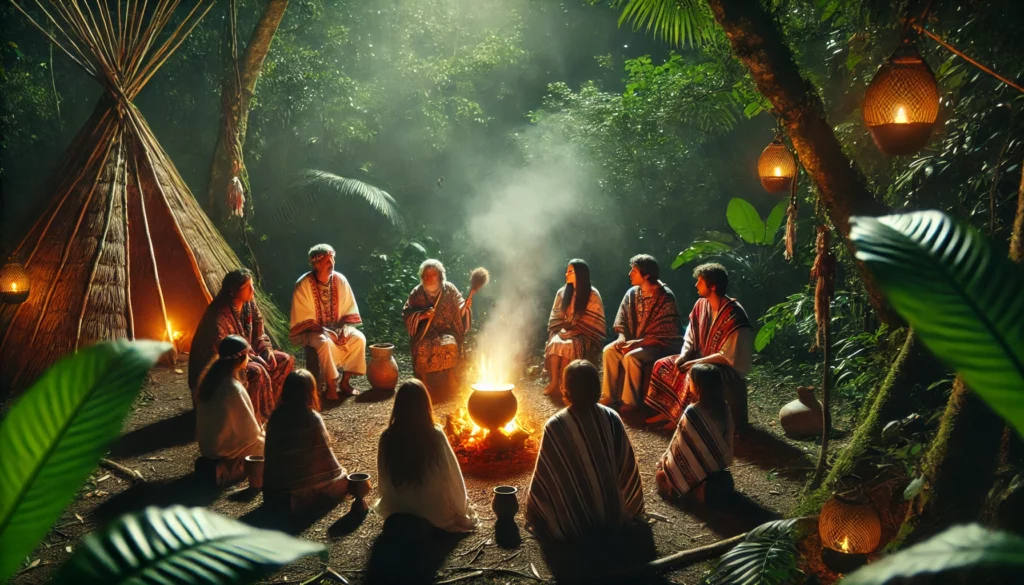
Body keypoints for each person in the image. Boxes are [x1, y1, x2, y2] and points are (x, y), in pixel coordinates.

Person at [526, 360, 645, 542]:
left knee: (539, 514)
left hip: (573, 524)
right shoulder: (612, 417)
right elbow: (626, 465)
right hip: (612, 515)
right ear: (596, 387)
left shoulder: (556, 425)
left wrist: (534, 511)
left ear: (566, 389)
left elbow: (545, 477)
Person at [645, 263, 752, 430]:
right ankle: (668, 411)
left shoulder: (735, 315)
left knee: (694, 373)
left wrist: (697, 362)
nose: (696, 285)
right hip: (701, 357)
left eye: (700, 282)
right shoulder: (700, 305)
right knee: (664, 364)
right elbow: (690, 336)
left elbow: (727, 356)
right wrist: (684, 356)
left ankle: (681, 418)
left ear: (713, 286)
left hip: (725, 366)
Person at [373, 379, 478, 532]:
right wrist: (461, 508)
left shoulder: (387, 436)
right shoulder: (435, 434)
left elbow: (383, 483)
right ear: (425, 405)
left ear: (398, 406)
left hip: (399, 512)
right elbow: (453, 477)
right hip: (436, 516)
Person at [189, 269, 294, 422]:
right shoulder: (218, 316)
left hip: (248, 354)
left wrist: (267, 350)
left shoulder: (249, 304)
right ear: (234, 291)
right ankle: (250, 419)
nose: (253, 290)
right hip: (224, 365)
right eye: (247, 287)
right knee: (257, 372)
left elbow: (259, 330)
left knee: (284, 360)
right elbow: (223, 352)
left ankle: (272, 408)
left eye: (252, 285)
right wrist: (253, 359)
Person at [601, 254, 683, 411]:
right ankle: (610, 395)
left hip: (659, 345)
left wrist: (637, 343)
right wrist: (622, 337)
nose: (630, 273)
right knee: (609, 351)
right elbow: (622, 319)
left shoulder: (665, 296)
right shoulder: (632, 293)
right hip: (636, 341)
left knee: (632, 357)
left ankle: (629, 402)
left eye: (634, 270)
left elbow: (665, 333)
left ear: (646, 275)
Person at [264, 369, 349, 512]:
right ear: (310, 392)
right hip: (298, 490)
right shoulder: (312, 419)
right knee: (344, 479)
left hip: (275, 489)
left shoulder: (275, 417)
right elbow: (328, 462)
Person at [290, 244, 367, 399]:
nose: (331, 264)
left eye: (332, 260)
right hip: (313, 332)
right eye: (327, 262)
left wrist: (339, 329)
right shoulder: (303, 284)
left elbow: (348, 309)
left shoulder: (340, 279)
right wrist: (325, 331)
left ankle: (345, 382)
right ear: (316, 265)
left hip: (337, 328)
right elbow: (304, 319)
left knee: (359, 339)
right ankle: (331, 387)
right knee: (324, 344)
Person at [655, 364, 734, 499]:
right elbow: (728, 438)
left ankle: (688, 486)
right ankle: (706, 488)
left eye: (690, 379)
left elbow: (679, 444)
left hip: (702, 469)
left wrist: (665, 464)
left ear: (698, 386)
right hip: (718, 465)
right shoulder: (725, 407)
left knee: (661, 472)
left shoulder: (694, 411)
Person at [195, 335, 265, 486]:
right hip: (224, 451)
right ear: (239, 359)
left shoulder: (210, 380)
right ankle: (231, 467)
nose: (249, 359)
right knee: (269, 445)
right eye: (247, 355)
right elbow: (251, 433)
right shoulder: (233, 388)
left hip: (208, 448)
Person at [402, 259, 472, 385]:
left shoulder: (449, 289)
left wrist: (465, 306)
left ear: (440, 276)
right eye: (425, 275)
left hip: (447, 330)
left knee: (450, 344)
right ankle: (423, 381)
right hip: (425, 333)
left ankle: (451, 378)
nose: (428, 278)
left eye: (432, 275)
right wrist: (422, 315)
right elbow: (406, 313)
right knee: (422, 347)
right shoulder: (417, 293)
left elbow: (459, 306)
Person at [542, 259, 606, 396]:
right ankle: (554, 382)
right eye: (567, 271)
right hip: (564, 331)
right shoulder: (562, 292)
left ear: (580, 274)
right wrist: (562, 328)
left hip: (584, 334)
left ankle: (565, 384)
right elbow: (555, 316)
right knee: (554, 343)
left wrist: (576, 330)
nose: (566, 274)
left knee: (569, 346)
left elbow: (594, 321)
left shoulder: (592, 294)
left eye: (570, 271)